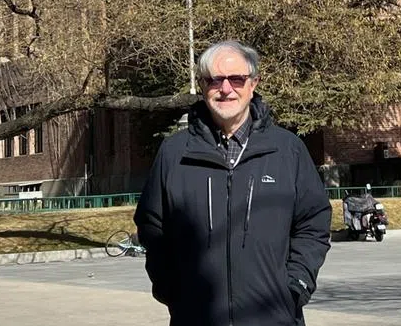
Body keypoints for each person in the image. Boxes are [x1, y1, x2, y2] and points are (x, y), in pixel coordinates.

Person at [135, 40, 332, 326]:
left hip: (273, 317)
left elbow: (313, 222)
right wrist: (172, 290)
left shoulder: (287, 150)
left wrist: (295, 286)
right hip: (196, 317)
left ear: (253, 84)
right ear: (203, 86)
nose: (226, 89)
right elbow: (152, 225)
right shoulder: (175, 153)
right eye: (215, 80)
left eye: (236, 79)